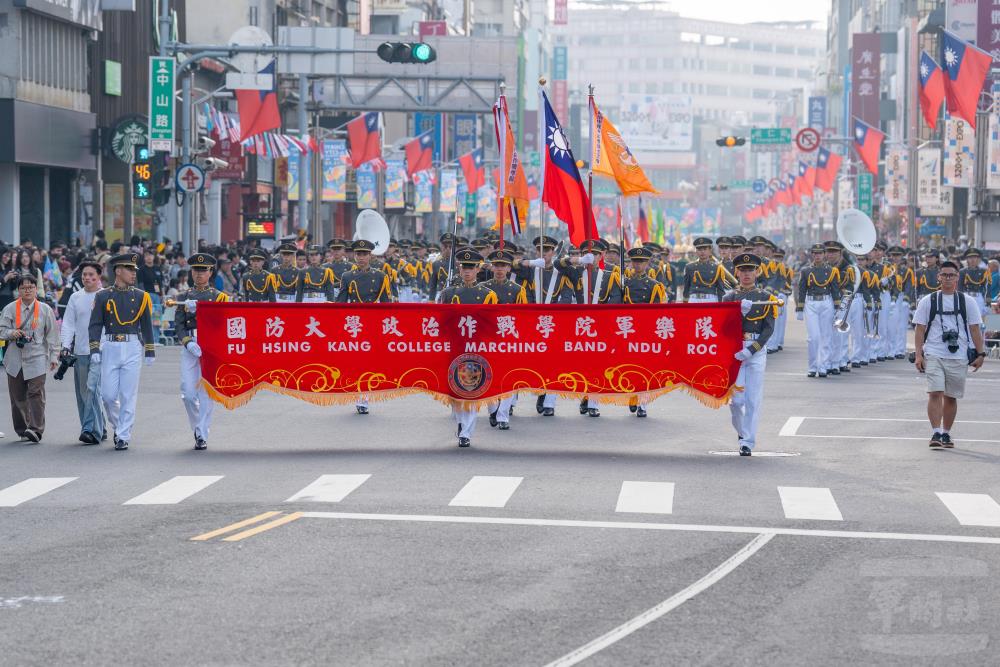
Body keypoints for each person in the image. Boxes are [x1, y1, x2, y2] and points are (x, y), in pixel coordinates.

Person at [913, 260, 987, 448]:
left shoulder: (967, 301)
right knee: (935, 392)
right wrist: (919, 355)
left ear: (957, 277)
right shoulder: (927, 301)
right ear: (938, 277)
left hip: (959, 355)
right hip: (934, 353)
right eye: (944, 275)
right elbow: (920, 329)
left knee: (951, 396)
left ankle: (946, 433)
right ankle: (936, 433)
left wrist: (981, 353)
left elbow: (975, 329)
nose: (947, 278)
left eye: (951, 275)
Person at [88, 252, 156, 451]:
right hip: (110, 345)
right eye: (129, 269)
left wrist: (150, 350)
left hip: (132, 346)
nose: (133, 273)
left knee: (128, 394)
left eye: (134, 270)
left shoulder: (141, 296)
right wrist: (94, 348)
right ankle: (119, 426)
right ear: (118, 271)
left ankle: (123, 435)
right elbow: (95, 324)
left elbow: (147, 325)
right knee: (108, 396)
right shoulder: (102, 296)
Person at [439, 248, 498, 447]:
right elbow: (441, 323)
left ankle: (466, 432)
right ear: (459, 268)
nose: (467, 271)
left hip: (476, 348)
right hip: (455, 347)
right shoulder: (449, 293)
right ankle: (461, 422)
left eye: (471, 268)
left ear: (478, 269)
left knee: (471, 388)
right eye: (464, 267)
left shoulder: (487, 295)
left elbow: (492, 324)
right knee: (456, 390)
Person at [724, 253, 778, 456]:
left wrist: (752, 349)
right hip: (736, 350)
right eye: (743, 270)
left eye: (750, 270)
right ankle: (742, 432)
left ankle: (747, 441)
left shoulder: (766, 298)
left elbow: (768, 329)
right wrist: (739, 313)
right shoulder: (729, 297)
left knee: (753, 398)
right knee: (736, 401)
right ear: (737, 272)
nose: (747, 274)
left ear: (757, 272)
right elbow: (723, 327)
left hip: (755, 350)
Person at [174, 253, 229, 450]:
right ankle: (197, 426)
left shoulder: (218, 297)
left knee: (206, 392)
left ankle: (201, 433)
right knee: (188, 393)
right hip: (191, 344)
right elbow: (178, 325)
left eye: (203, 270)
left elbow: (222, 323)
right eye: (196, 270)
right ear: (191, 272)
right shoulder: (183, 297)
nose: (199, 274)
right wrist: (187, 342)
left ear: (210, 272)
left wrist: (200, 310)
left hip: (210, 343)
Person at [338, 239, 395, 414]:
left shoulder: (380, 276)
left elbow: (386, 304)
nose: (361, 257)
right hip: (354, 324)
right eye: (358, 254)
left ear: (370, 255)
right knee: (356, 361)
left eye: (364, 254)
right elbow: (340, 303)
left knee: (369, 361)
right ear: (354, 256)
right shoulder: (347, 276)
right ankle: (359, 396)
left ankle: (365, 396)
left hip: (372, 322)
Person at [0, 274, 59, 442]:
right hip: (15, 358)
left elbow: (53, 335)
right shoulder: (10, 309)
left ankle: (36, 429)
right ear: (18, 290)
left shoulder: (45, 309)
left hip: (37, 356)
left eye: (31, 287)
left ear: (36, 289)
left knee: (36, 393)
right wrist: (12, 333)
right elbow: (1, 330)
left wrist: (54, 356)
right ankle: (22, 429)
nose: (27, 290)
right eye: (23, 287)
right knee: (17, 396)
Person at [59, 258, 106, 444]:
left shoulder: (105, 296)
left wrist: (104, 346)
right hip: (80, 351)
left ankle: (90, 430)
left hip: (100, 350)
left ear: (99, 276)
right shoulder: (75, 297)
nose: (87, 278)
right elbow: (69, 324)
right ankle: (99, 427)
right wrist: (65, 346)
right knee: (83, 392)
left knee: (92, 389)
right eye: (85, 275)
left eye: (91, 275)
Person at [481, 248, 528, 431]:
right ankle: (493, 409)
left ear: (509, 268)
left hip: (509, 339)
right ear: (492, 267)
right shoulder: (483, 288)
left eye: (503, 266)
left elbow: (523, 318)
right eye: (496, 265)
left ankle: (503, 415)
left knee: (509, 378)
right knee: (489, 377)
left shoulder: (517, 290)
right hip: (488, 338)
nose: (499, 269)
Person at [622, 245, 667, 418]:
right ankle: (633, 397)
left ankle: (643, 404)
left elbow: (656, 313)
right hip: (627, 330)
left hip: (645, 331)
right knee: (629, 367)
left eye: (641, 262)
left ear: (647, 263)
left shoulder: (654, 286)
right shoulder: (624, 283)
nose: (638, 265)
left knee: (645, 369)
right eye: (635, 261)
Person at [796, 243, 841, 378]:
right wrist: (800, 307)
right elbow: (802, 289)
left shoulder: (831, 270)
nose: (817, 256)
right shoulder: (805, 271)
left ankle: (823, 366)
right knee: (813, 337)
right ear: (812, 254)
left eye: (820, 253)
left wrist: (837, 307)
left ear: (824, 254)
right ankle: (812, 366)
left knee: (826, 336)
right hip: (811, 303)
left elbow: (835, 289)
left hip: (826, 302)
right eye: (815, 253)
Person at [959, 248, 991, 317]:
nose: (972, 259)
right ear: (967, 259)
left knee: (978, 318)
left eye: (975, 257)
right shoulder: (962, 271)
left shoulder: (984, 271)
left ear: (978, 259)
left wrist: (988, 299)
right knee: (965, 317)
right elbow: (960, 287)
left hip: (978, 296)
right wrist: (959, 299)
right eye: (970, 257)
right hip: (966, 295)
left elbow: (987, 286)